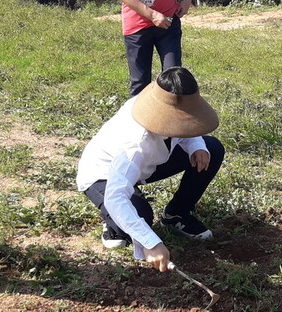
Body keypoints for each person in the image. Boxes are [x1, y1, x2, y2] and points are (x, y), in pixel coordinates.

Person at [76, 67, 223, 272]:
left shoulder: (169, 111)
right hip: (104, 174)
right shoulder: (135, 144)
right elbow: (115, 196)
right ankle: (114, 227)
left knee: (211, 148)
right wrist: (151, 243)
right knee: (141, 217)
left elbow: (188, 125)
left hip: (148, 164)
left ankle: (176, 215)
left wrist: (197, 146)